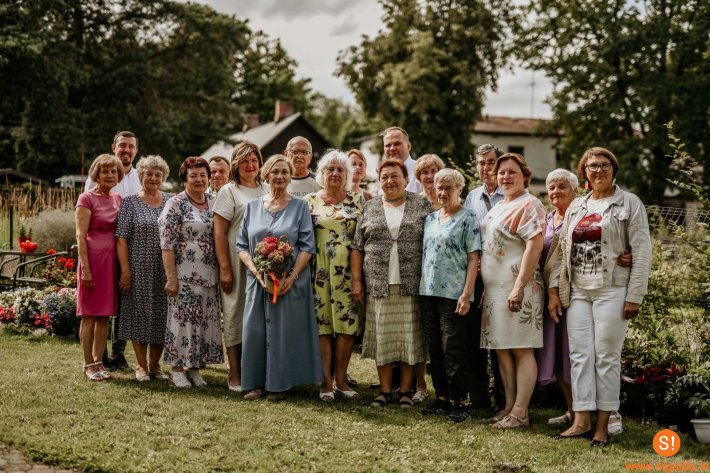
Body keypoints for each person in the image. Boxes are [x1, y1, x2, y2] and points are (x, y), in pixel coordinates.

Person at [549, 147, 651, 446]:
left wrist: (635, 295)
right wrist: (554, 287)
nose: (599, 170)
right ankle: (581, 420)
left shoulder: (629, 203)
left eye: (605, 165)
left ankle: (603, 426)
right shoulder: (578, 206)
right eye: (592, 166)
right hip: (578, 290)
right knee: (580, 355)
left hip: (613, 289)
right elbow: (561, 250)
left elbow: (642, 250)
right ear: (584, 172)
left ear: (614, 169)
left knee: (606, 356)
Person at [538, 169, 631, 433]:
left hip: (586, 292)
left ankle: (609, 414)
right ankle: (575, 411)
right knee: (564, 356)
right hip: (557, 296)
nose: (555, 191)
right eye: (551, 187)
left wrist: (626, 254)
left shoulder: (587, 215)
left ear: (576, 190)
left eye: (562, 186)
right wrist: (552, 292)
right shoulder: (546, 219)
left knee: (599, 353)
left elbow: (614, 240)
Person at [237, 155, 322, 401]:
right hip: (258, 281)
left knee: (285, 332)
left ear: (290, 176)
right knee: (255, 331)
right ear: (266, 175)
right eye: (275, 172)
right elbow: (241, 245)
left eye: (285, 172)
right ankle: (255, 383)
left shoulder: (300, 206)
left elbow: (307, 246)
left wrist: (291, 276)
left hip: (289, 281)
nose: (280, 176)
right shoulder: (252, 207)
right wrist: (257, 273)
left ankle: (280, 383)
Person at [351, 158, 432, 408]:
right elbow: (357, 247)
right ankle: (385, 391)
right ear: (379, 181)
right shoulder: (369, 207)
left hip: (411, 283)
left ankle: (405, 391)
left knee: (409, 339)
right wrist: (357, 281)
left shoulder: (421, 204)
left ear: (406, 179)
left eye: (395, 175)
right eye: (384, 177)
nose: (390, 181)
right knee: (383, 339)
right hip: (378, 284)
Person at [480, 153, 546, 429]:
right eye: (501, 173)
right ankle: (508, 406)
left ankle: (521, 412)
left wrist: (518, 287)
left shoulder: (530, 204)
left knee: (520, 348)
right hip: (494, 289)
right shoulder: (498, 206)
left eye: (512, 172)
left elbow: (534, 246)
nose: (505, 177)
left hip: (519, 288)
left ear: (525, 176)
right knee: (502, 350)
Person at [419, 169, 481, 423]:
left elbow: (474, 258)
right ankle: (442, 398)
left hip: (454, 293)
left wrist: (466, 294)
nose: (443, 192)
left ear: (459, 190)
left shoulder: (468, 217)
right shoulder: (430, 219)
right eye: (439, 187)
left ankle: (460, 401)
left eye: (448, 188)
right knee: (434, 347)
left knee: (452, 348)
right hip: (428, 291)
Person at [158, 157, 224, 388]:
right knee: (182, 322)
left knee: (203, 321)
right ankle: (176, 370)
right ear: (185, 179)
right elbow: (166, 244)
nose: (199, 180)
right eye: (193, 175)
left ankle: (194, 368)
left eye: (203, 175)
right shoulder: (175, 203)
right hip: (184, 275)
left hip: (210, 274)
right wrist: (171, 278)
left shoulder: (214, 201)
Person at [304, 151, 364, 401]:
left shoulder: (357, 200)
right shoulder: (309, 201)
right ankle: (326, 381)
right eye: (330, 169)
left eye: (341, 170)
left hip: (348, 271)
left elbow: (360, 241)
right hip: (317, 271)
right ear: (322, 173)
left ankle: (341, 379)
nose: (335, 174)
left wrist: (359, 280)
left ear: (347, 174)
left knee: (347, 326)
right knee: (323, 327)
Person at [213, 142, 268, 392]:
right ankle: (235, 372)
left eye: (254, 160)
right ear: (236, 164)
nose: (250, 165)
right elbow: (219, 233)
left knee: (261, 315)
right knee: (235, 313)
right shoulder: (229, 191)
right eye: (244, 160)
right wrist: (225, 268)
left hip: (264, 261)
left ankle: (258, 369)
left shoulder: (268, 189)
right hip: (237, 262)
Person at [86, 131, 142, 371]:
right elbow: (87, 210)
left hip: (132, 247)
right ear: (114, 147)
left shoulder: (140, 177)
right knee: (102, 301)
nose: (126, 150)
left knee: (124, 300)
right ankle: (100, 355)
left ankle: (118, 352)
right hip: (104, 248)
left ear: (136, 150)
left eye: (131, 146)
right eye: (122, 145)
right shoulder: (101, 173)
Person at [115, 155, 171, 382]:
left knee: (161, 315)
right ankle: (140, 365)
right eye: (149, 174)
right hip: (138, 268)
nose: (153, 178)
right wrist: (125, 271)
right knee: (139, 315)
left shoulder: (170, 200)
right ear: (140, 176)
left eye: (158, 174)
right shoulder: (130, 202)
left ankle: (155, 365)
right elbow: (121, 238)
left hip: (164, 268)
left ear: (163, 177)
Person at [463, 143, 506, 409]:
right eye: (481, 163)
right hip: (476, 276)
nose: (486, 168)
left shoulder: (510, 194)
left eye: (491, 162)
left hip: (502, 276)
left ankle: (504, 397)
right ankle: (478, 397)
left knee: (500, 338)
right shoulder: (472, 197)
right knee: (474, 338)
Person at [75, 154, 124, 381]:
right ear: (97, 174)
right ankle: (87, 364)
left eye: (114, 171)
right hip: (92, 262)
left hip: (111, 265)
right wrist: (85, 269)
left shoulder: (117, 198)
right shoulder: (86, 198)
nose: (110, 175)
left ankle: (98, 363)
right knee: (89, 316)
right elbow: (80, 236)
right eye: (105, 171)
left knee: (104, 316)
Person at [380, 126, 422, 193]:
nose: (392, 148)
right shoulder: (382, 174)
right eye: (388, 145)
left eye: (397, 144)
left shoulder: (422, 171)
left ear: (408, 146)